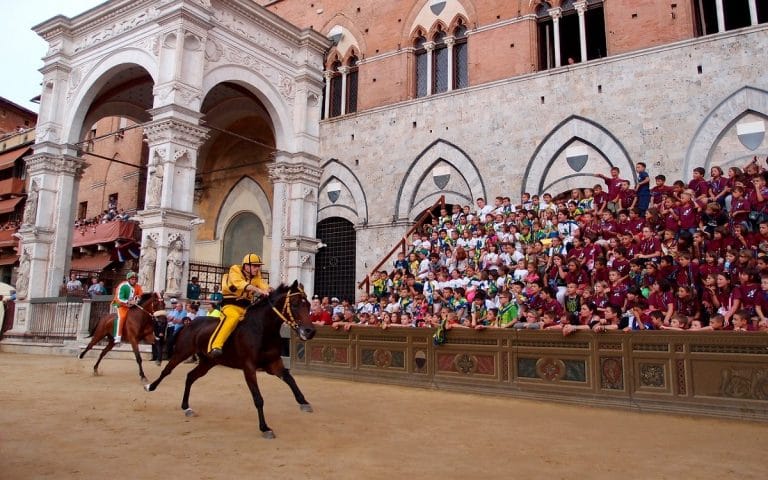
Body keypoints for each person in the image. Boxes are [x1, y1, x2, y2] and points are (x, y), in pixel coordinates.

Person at [207, 253, 270, 357]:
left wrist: (269, 289)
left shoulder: (256, 275)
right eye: (255, 266)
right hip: (230, 305)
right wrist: (258, 290)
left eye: (258, 266)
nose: (257, 268)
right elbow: (239, 283)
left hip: (246, 307)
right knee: (232, 317)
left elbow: (262, 284)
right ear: (246, 266)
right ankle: (215, 346)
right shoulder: (235, 270)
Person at [111, 271, 143, 345]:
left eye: (135, 279)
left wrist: (136, 299)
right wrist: (128, 302)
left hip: (132, 306)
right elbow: (119, 298)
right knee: (122, 317)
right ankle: (118, 336)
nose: (134, 281)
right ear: (128, 279)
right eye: (132, 279)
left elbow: (140, 294)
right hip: (121, 305)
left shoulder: (138, 286)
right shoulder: (123, 286)